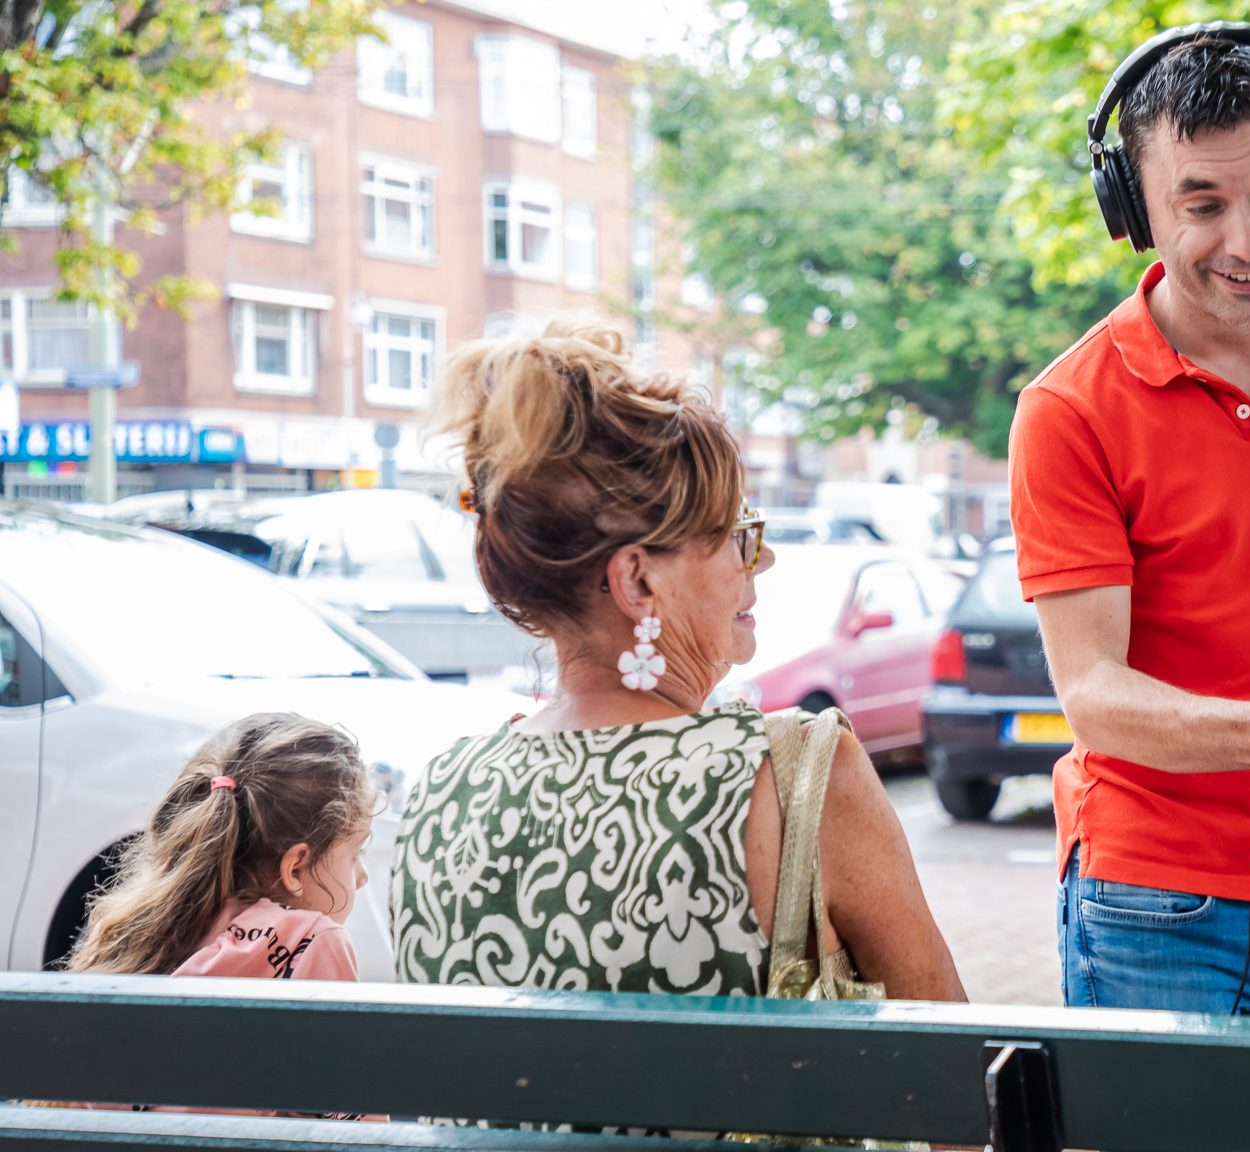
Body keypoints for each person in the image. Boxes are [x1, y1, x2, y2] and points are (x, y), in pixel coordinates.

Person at [1007, 27, 1250, 1015]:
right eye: (1201, 206)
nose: (1246, 241)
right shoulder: (1066, 412)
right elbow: (1093, 694)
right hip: (1155, 903)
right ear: (1134, 213)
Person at [391, 317, 965, 1005]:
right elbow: (952, 1051)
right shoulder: (798, 779)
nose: (764, 559)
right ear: (638, 582)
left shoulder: (441, 792)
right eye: (735, 535)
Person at [68, 712, 376, 982]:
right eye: (355, 855)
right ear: (294, 868)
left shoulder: (133, 927)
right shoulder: (314, 942)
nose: (362, 877)